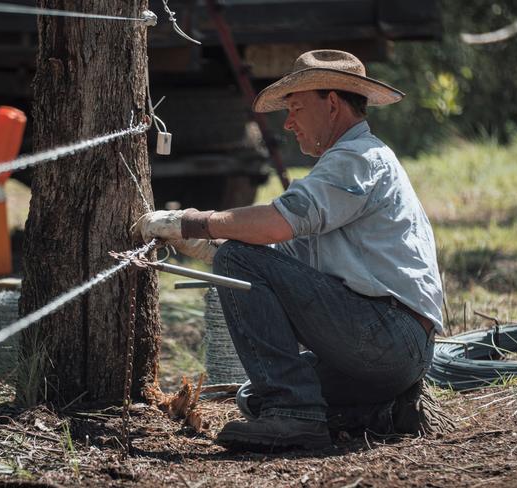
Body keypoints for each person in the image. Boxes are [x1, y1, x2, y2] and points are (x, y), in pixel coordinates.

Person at [135, 50, 448, 451]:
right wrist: (199, 241)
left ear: (331, 104)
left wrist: (193, 221)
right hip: (390, 348)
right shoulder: (353, 162)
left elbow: (274, 226)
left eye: (296, 107)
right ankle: (382, 412)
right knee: (253, 396)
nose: (288, 122)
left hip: (386, 336)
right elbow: (280, 257)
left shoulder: (355, 158)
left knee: (237, 263)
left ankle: (295, 418)